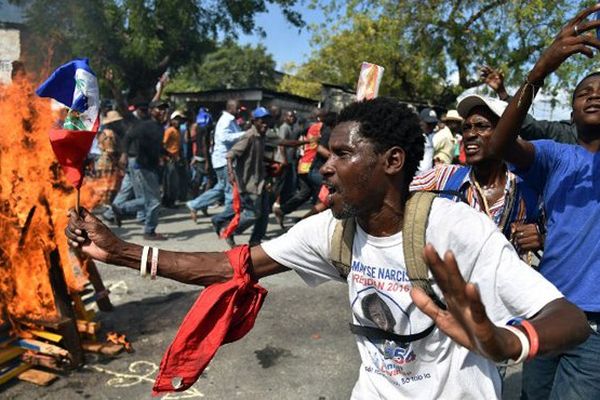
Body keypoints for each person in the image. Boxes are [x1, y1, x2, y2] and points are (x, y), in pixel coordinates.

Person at [66, 97, 589, 399]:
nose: (325, 167)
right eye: (325, 154)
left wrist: (505, 344)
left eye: (341, 154)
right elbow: (233, 265)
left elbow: (569, 319)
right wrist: (122, 252)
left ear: (391, 161)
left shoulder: (454, 228)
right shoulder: (333, 228)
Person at [485, 5, 600, 398]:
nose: (594, 95)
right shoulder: (555, 155)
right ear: (570, 110)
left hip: (595, 325)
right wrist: (540, 70)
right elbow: (499, 144)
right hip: (546, 307)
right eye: (585, 91)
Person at [410, 95, 544, 259]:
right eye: (466, 128)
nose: (470, 134)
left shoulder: (527, 190)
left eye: (481, 126)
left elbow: (560, 235)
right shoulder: (442, 177)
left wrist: (540, 238)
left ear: (505, 134)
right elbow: (397, 196)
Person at [213, 107, 271, 247]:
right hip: (247, 182)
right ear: (254, 121)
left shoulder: (262, 136)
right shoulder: (249, 136)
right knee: (252, 213)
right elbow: (231, 154)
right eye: (262, 121)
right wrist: (231, 172)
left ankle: (255, 239)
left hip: (259, 180)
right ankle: (228, 229)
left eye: (267, 121)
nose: (265, 124)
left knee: (263, 212)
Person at [479, 65, 577, 144]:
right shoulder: (564, 134)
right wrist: (503, 94)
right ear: (572, 117)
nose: (592, 97)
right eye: (585, 94)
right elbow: (528, 126)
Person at [115, 99, 169, 240]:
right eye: (159, 109)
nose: (163, 111)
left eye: (164, 109)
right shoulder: (144, 126)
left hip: (151, 166)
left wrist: (166, 154)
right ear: (151, 111)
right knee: (155, 201)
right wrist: (124, 154)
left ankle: (120, 209)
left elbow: (156, 146)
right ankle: (149, 231)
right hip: (143, 166)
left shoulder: (159, 127)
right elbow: (128, 138)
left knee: (148, 200)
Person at [186, 100, 244, 221]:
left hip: (223, 160)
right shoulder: (226, 121)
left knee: (221, 188)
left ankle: (194, 204)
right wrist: (244, 134)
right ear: (230, 108)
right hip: (224, 161)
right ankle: (228, 219)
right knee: (230, 192)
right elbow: (225, 138)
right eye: (237, 108)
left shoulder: (231, 120)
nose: (239, 111)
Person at [161, 110, 184, 208]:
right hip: (170, 158)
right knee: (170, 181)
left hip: (176, 158)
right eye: (176, 119)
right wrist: (166, 156)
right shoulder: (170, 130)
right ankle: (168, 201)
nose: (178, 122)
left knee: (173, 181)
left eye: (179, 120)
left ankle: (170, 200)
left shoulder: (177, 131)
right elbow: (163, 144)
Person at [417, 107, 437, 171]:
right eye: (429, 124)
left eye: (434, 124)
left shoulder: (431, 136)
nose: (432, 127)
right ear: (420, 122)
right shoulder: (415, 137)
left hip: (427, 177)